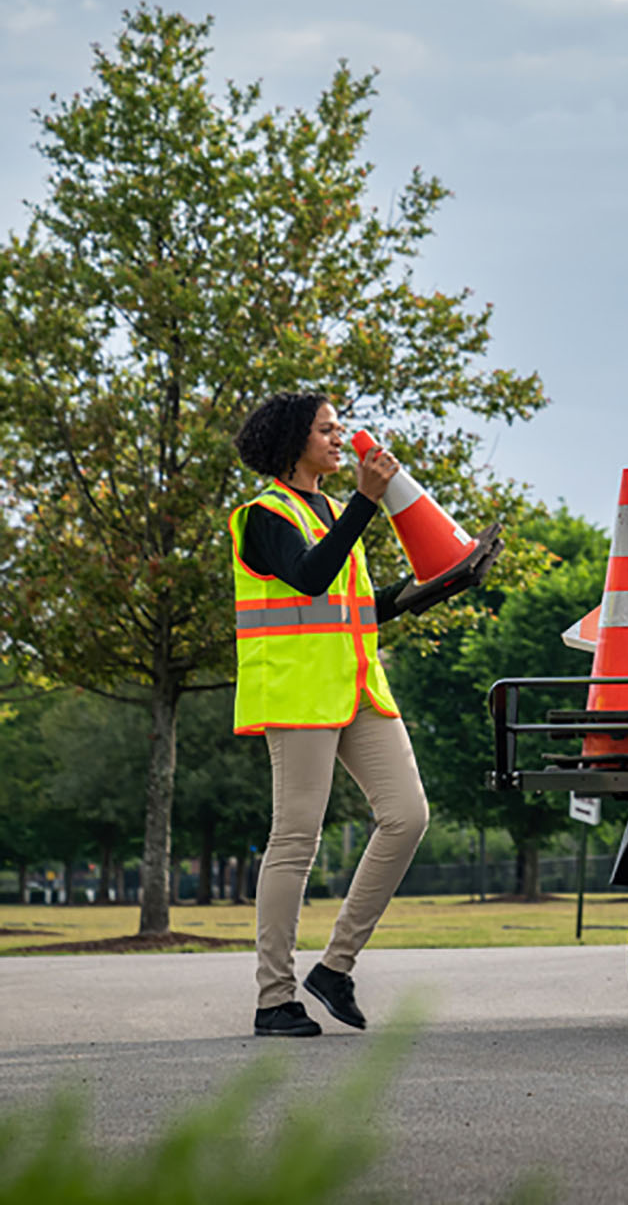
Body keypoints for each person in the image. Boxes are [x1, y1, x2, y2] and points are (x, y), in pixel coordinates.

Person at [230, 391, 429, 1038]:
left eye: (339, 427)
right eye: (327, 429)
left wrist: (440, 581)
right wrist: (370, 502)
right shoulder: (261, 518)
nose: (341, 438)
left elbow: (361, 608)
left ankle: (335, 968)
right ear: (296, 442)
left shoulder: (336, 512)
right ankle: (273, 998)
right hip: (298, 695)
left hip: (358, 691)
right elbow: (310, 578)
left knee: (407, 816)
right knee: (295, 842)